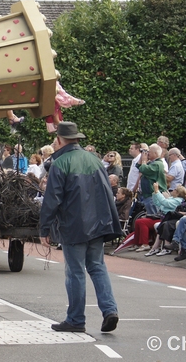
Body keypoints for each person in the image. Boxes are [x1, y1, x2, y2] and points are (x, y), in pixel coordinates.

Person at [39, 121, 121, 334]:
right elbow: (107, 193)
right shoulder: (94, 160)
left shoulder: (60, 163)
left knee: (75, 272)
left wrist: (44, 228)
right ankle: (110, 310)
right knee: (97, 266)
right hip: (98, 224)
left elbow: (53, 198)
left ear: (59, 140)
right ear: (77, 138)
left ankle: (76, 319)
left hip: (74, 225)